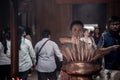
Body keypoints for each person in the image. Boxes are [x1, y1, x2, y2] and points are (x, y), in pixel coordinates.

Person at [97, 16, 120, 80]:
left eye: (117, 24)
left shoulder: (119, 36)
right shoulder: (104, 36)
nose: (115, 26)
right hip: (107, 69)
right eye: (113, 24)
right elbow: (98, 50)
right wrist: (111, 48)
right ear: (109, 25)